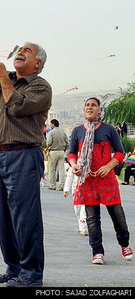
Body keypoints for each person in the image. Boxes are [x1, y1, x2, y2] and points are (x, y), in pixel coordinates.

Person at [0, 32, 52, 288]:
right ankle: (14, 266)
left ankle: (31, 273)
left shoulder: (39, 86)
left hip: (23, 155)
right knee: (3, 216)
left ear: (37, 63)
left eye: (27, 50)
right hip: (0, 154)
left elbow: (17, 106)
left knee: (25, 216)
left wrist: (4, 77)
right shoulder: (8, 80)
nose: (21, 51)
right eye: (20, 49)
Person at [68, 97, 133, 265]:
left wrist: (109, 166)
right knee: (92, 218)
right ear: (84, 109)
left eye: (93, 105)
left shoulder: (108, 129)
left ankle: (124, 243)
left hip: (106, 179)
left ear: (99, 109)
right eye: (87, 105)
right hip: (87, 179)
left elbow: (120, 153)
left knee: (117, 215)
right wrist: (74, 165)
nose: (90, 107)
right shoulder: (77, 131)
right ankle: (97, 252)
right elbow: (72, 153)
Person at [63, 164, 88, 236]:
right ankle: (81, 223)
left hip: (86, 190)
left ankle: (83, 227)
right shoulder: (73, 167)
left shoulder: (88, 166)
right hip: (76, 191)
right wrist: (66, 190)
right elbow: (69, 178)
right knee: (77, 209)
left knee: (84, 208)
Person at [46, 119, 69, 191]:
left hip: (53, 152)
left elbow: (48, 143)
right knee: (61, 170)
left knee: (52, 169)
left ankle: (52, 185)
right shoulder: (63, 132)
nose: (50, 125)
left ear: (53, 124)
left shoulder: (51, 133)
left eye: (51, 124)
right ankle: (61, 186)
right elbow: (67, 144)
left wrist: (47, 148)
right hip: (62, 152)